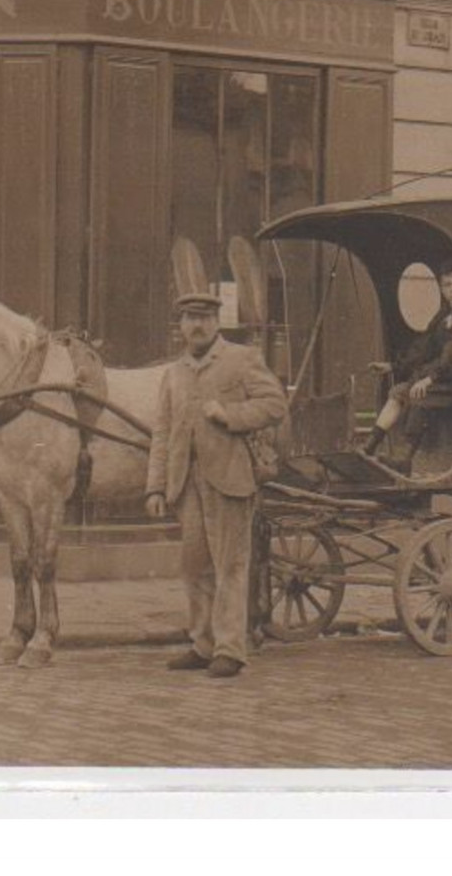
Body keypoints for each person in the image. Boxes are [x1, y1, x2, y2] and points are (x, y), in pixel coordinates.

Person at [144, 291, 287, 679]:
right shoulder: (174, 373)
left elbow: (275, 404)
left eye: (205, 318)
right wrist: (155, 487)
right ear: (181, 325)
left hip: (229, 479)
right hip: (186, 484)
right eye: (190, 318)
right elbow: (163, 431)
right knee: (194, 569)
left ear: (217, 322)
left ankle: (230, 650)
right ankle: (203, 644)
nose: (197, 325)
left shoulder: (241, 359)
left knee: (231, 567)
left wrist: (230, 414)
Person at [362, 259, 452, 476]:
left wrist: (430, 379)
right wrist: (393, 366)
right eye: (448, 285)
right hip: (441, 380)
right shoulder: (444, 315)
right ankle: (369, 447)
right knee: (397, 393)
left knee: (418, 397)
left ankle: (404, 459)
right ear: (442, 289)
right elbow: (424, 347)